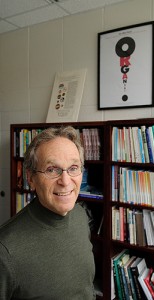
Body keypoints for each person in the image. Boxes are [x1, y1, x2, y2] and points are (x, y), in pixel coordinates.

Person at [0, 126, 96, 299]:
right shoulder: (4, 250)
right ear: (31, 178)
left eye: (73, 167)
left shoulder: (81, 216)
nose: (65, 181)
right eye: (52, 169)